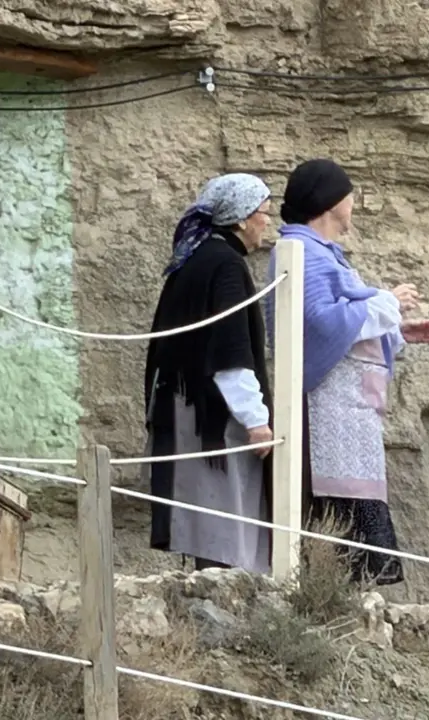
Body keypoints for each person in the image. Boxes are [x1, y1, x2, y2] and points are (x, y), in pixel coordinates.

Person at [268, 158, 429, 586]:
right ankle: (336, 593)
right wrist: (385, 301)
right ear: (330, 201)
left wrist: (395, 330)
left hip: (350, 413)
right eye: (348, 194)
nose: (353, 203)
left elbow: (345, 326)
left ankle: (354, 595)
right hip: (330, 411)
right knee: (339, 511)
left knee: (357, 505)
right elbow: (319, 323)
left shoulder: (324, 255)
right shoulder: (303, 252)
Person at [144, 173, 277, 573]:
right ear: (240, 219)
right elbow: (230, 350)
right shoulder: (225, 265)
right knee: (225, 518)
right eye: (263, 214)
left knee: (205, 515)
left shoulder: (192, 259)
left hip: (182, 406)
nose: (266, 224)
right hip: (210, 416)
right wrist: (256, 419)